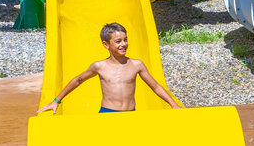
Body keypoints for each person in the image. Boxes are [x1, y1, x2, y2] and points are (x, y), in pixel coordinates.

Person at [36, 22, 182, 114]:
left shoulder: (136, 64)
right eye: (118, 41)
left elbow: (156, 87)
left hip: (130, 114)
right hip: (107, 113)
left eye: (125, 40)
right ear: (106, 45)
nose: (123, 44)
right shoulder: (100, 66)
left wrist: (173, 104)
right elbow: (78, 80)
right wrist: (56, 101)